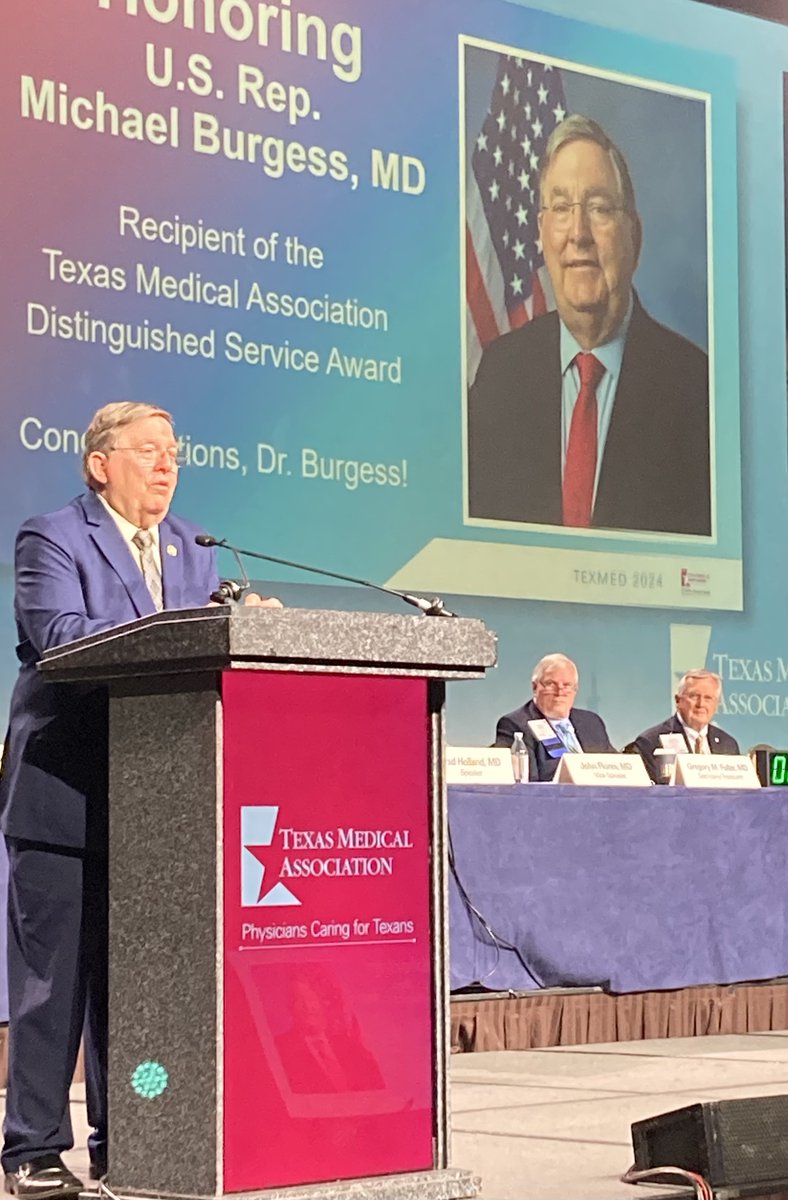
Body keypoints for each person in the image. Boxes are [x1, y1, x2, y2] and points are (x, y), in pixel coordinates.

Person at [0, 402, 281, 1199]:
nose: (167, 465)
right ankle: (34, 1148)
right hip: (65, 793)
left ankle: (132, 1135)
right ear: (100, 463)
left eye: (174, 453)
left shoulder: (192, 546)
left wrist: (237, 626)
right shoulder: (51, 536)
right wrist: (187, 634)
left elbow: (200, 643)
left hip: (162, 802)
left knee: (140, 990)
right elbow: (60, 635)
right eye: (149, 451)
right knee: (55, 985)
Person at [467, 113, 710, 536]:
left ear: (634, 236)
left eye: (598, 208)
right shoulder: (498, 376)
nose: (578, 233)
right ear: (542, 233)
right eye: (561, 208)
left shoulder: (699, 392)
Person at [494, 652, 615, 781]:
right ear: (535, 687)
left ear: (575, 689)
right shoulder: (516, 724)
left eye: (567, 685)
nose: (560, 692)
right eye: (551, 684)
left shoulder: (591, 722)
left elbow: (616, 767)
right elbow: (527, 782)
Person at [632, 668, 739, 784]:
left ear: (717, 704)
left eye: (708, 698)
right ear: (678, 701)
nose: (701, 704)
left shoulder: (728, 745)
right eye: (694, 696)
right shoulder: (650, 742)